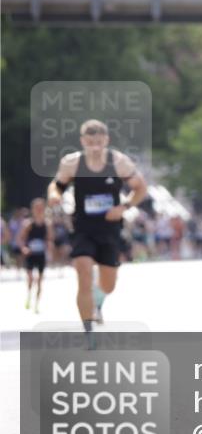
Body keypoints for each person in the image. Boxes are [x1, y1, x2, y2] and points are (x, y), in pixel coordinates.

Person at [47, 120, 147, 336]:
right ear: (83, 141)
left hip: (109, 229)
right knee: (83, 271)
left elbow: (140, 188)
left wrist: (124, 207)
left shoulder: (119, 162)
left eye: (99, 142)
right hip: (83, 227)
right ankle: (88, 331)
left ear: (106, 140)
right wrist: (54, 196)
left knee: (108, 285)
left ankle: (98, 300)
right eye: (90, 142)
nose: (95, 147)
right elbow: (57, 185)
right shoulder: (72, 163)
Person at [17, 198, 53, 313]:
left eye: (41, 208)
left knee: (40, 281)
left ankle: (36, 304)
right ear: (33, 209)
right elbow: (20, 239)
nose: (39, 210)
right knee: (31, 279)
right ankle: (29, 296)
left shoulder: (47, 224)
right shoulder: (28, 224)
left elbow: (50, 239)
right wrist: (24, 248)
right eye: (37, 208)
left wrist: (49, 245)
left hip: (41, 254)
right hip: (30, 254)